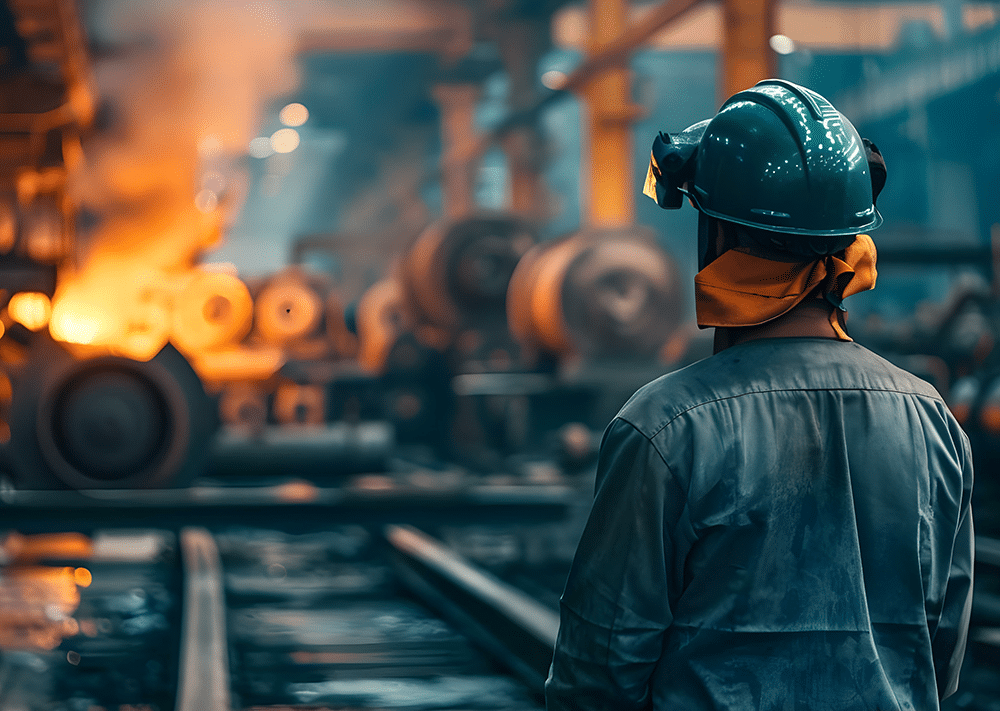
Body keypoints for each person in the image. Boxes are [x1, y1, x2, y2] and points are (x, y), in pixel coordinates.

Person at [545, 79, 974, 710]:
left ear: (717, 238)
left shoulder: (665, 430)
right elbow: (942, 658)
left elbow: (597, 680)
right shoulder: (933, 420)